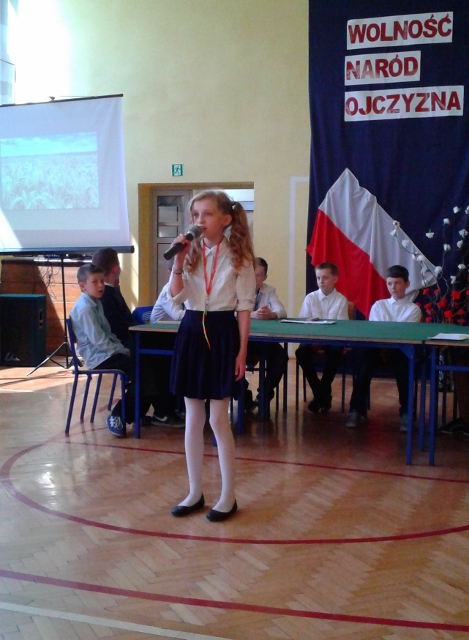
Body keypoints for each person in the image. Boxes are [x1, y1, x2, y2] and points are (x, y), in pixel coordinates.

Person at [167, 189, 255, 522]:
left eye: (206, 214)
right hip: (191, 329)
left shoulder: (239, 256)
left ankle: (228, 495)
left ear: (225, 219)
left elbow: (244, 308)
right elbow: (175, 298)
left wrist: (241, 351)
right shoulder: (189, 253)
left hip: (221, 332)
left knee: (218, 418)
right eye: (195, 215)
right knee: (193, 416)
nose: (199, 220)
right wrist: (178, 262)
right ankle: (194, 492)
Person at [92, 247, 176, 424]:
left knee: (157, 360)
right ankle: (122, 415)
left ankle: (162, 409)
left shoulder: (111, 291)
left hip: (123, 342)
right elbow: (117, 328)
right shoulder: (106, 295)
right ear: (115, 268)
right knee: (147, 368)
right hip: (117, 347)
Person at [69, 263, 154, 437]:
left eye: (101, 281)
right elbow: (100, 341)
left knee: (146, 367)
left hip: (107, 353)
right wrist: (122, 351)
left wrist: (123, 349)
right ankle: (118, 416)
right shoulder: (85, 308)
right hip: (99, 357)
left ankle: (134, 413)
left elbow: (109, 334)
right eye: (95, 282)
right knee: (143, 371)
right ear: (82, 286)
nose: (100, 285)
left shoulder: (96, 303)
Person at [345, 264, 422, 430]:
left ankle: (406, 413)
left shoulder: (413, 309)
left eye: (397, 283)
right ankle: (356, 410)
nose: (393, 287)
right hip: (377, 348)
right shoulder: (379, 305)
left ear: (407, 284)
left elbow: (405, 335)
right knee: (364, 367)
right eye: (389, 283)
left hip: (400, 350)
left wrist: (391, 332)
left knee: (404, 369)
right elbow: (376, 331)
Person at [295, 262, 349, 413]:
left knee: (335, 352)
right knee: (301, 352)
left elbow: (342, 326)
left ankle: (321, 394)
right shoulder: (310, 298)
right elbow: (303, 322)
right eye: (318, 278)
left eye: (325, 278)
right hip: (312, 338)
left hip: (333, 340)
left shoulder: (341, 300)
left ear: (335, 279)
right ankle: (321, 393)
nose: (321, 281)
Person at [245, 257, 288, 409]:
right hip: (240, 340)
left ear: (264, 277)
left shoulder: (269, 290)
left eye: (258, 275)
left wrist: (271, 314)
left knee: (281, 356)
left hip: (262, 341)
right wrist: (252, 314)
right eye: (251, 274)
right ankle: (243, 396)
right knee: (225, 357)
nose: (254, 279)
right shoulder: (237, 288)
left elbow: (282, 311)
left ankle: (263, 395)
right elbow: (230, 312)